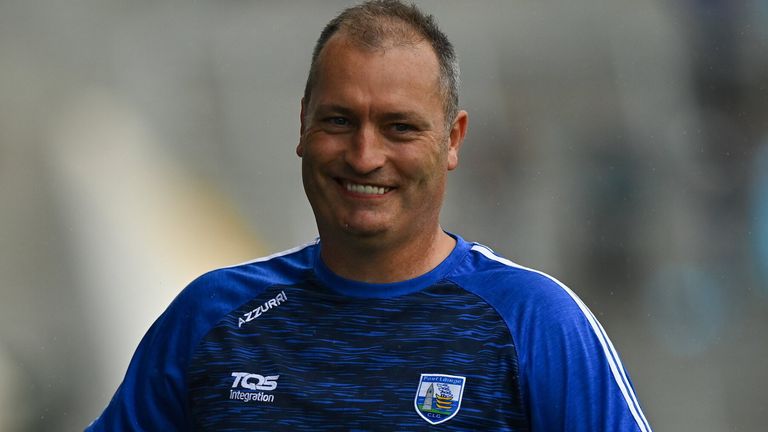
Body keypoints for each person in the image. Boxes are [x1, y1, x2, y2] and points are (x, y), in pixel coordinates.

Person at [86, 1, 652, 430]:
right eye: (338, 121)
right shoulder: (212, 316)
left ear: (452, 140)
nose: (365, 156)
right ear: (302, 124)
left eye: (399, 127)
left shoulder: (537, 323)